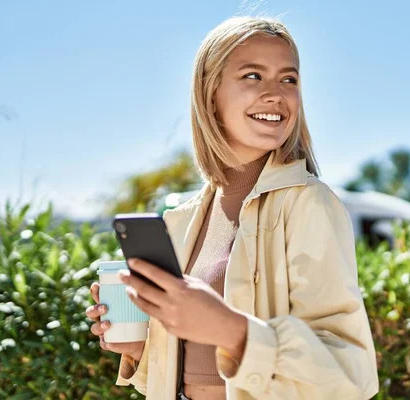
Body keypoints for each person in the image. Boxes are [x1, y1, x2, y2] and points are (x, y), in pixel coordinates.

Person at [85, 15, 379, 400]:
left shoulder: (309, 203)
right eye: (253, 76)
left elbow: (349, 376)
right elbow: (192, 372)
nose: (276, 93)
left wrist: (229, 329)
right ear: (210, 94)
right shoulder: (183, 219)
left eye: (289, 79)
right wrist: (142, 351)